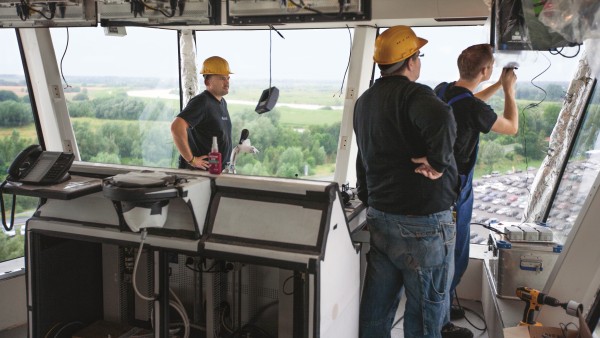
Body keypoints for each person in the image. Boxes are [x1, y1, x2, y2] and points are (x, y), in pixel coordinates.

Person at [354, 25, 458, 338]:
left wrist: (368, 197)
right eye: (418, 56)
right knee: (426, 316)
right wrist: (438, 164)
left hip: (381, 217)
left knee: (377, 310)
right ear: (410, 61)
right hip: (421, 225)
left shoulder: (365, 101)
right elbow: (443, 119)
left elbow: (364, 157)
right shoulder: (414, 94)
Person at [435, 43, 518, 338]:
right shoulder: (471, 106)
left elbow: (469, 103)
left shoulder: (444, 90)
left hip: (440, 181)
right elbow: (510, 126)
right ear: (484, 69)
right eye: (491, 68)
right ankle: (442, 324)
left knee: (448, 252)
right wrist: (509, 90)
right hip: (457, 186)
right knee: (454, 254)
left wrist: (496, 83)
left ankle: (442, 307)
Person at [171, 56, 234, 171]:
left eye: (228, 78)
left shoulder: (221, 102)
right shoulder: (202, 102)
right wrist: (192, 160)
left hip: (216, 171)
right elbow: (176, 126)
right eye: (221, 78)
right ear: (207, 82)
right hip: (201, 174)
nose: (227, 82)